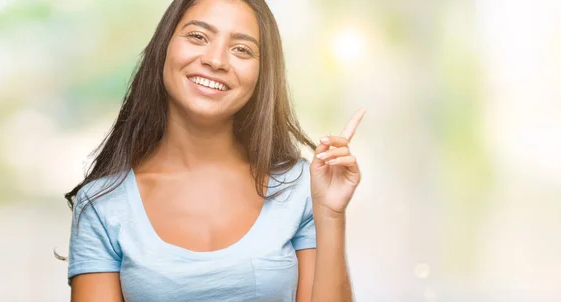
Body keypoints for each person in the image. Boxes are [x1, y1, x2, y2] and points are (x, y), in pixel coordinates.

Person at [65, 0, 366, 301]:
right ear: (165, 47)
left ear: (262, 74)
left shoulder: (299, 187)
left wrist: (329, 214)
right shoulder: (103, 204)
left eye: (242, 50)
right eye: (198, 36)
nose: (216, 60)